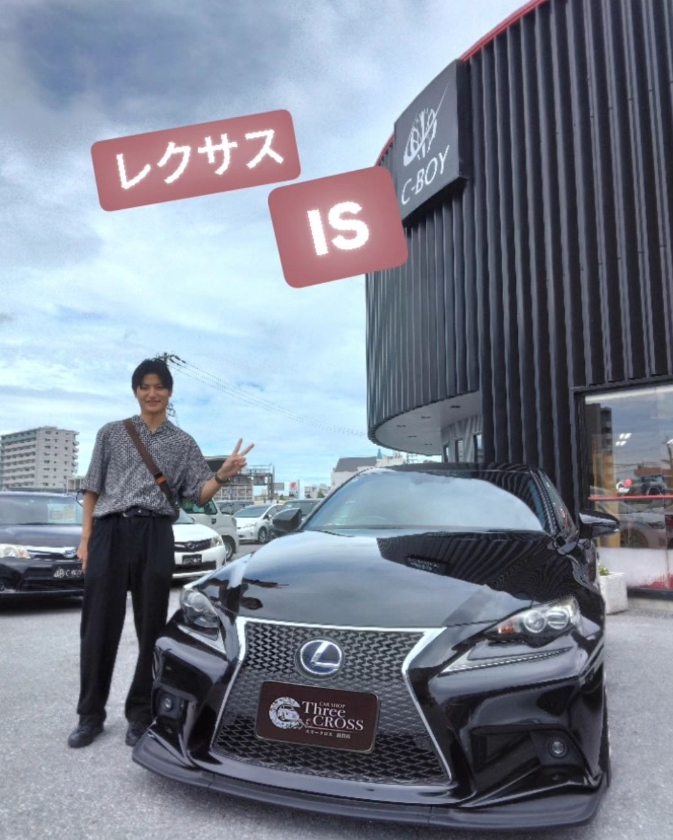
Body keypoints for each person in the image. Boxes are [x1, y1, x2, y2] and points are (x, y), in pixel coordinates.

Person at [68, 358, 253, 749]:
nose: (152, 393)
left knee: (151, 626)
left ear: (169, 392)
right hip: (110, 530)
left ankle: (140, 714)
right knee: (98, 625)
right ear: (135, 391)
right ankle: (90, 715)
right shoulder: (111, 433)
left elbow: (196, 494)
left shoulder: (183, 442)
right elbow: (92, 488)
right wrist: (86, 539)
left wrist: (222, 475)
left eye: (159, 386)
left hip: (155, 532)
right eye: (144, 386)